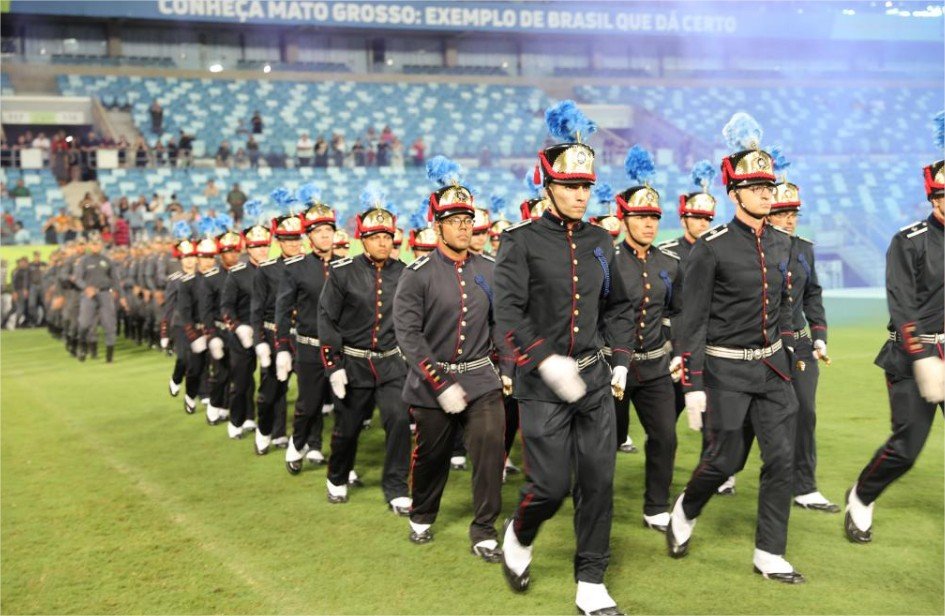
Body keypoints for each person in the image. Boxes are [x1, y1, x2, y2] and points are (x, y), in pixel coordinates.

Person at [494, 101, 633, 616]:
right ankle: (520, 531)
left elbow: (618, 305)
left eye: (586, 186)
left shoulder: (602, 240)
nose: (580, 194)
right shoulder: (519, 242)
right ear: (547, 186)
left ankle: (591, 580)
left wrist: (618, 360)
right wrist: (544, 360)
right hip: (541, 384)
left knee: (599, 480)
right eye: (571, 186)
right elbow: (506, 311)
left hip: (595, 379)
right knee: (550, 487)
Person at [667, 112, 803, 584]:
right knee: (725, 460)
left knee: (782, 458)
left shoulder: (785, 245)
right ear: (733, 193)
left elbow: (785, 308)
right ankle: (687, 506)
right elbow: (692, 319)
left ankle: (770, 553)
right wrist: (694, 384)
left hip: (773, 371)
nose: (767, 193)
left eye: (769, 185)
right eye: (755, 186)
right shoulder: (712, 246)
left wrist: (791, 352)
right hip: (724, 372)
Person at [393, 157, 505, 560]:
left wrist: (505, 367)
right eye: (453, 219)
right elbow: (408, 335)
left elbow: (501, 324)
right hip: (431, 383)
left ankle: (485, 530)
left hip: (481, 380)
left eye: (467, 219)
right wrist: (439, 383)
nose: (463, 226)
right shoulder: (417, 274)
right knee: (431, 457)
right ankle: (422, 513)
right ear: (436, 225)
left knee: (491, 449)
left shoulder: (490, 270)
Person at [844, 121, 944, 544]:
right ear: (931, 196)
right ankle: (862, 497)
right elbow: (901, 303)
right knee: (907, 446)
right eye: (940, 195)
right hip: (911, 358)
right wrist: (923, 357)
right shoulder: (909, 241)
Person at [318, 194, 411, 512]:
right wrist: (334, 366)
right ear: (363, 239)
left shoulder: (404, 273)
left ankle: (397, 487)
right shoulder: (342, 273)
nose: (383, 243)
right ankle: (337, 477)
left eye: (388, 237)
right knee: (348, 428)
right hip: (353, 364)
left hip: (392, 365)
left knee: (399, 421)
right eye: (376, 237)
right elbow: (326, 319)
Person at [609, 145, 683, 532]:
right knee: (604, 443)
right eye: (641, 216)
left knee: (665, 437)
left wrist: (679, 351)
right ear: (624, 219)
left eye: (654, 216)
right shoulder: (605, 262)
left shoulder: (670, 263)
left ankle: (656, 506)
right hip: (611, 370)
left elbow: (680, 311)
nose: (649, 223)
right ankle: (593, 498)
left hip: (655, 366)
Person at [765, 152, 838, 513]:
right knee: (754, 419)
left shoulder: (805, 248)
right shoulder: (756, 249)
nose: (790, 220)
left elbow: (812, 293)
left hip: (800, 343)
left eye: (793, 214)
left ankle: (804, 486)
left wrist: (819, 334)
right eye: (782, 213)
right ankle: (725, 469)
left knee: (805, 412)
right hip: (764, 345)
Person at [276, 189, 337, 472]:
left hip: (341, 349)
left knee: (344, 407)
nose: (325, 235)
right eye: (319, 231)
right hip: (309, 348)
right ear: (309, 237)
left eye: (329, 230)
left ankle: (341, 463)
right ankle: (297, 443)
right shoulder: (296, 268)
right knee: (309, 404)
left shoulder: (345, 265)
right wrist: (282, 347)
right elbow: (283, 309)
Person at [250, 207, 303, 454]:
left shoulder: (311, 266)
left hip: (304, 337)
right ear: (279, 241)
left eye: (296, 238)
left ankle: (302, 442)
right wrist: (259, 340)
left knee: (308, 395)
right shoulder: (267, 269)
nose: (293, 243)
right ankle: (266, 430)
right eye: (287, 239)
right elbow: (257, 309)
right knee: (271, 391)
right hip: (274, 335)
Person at [221, 216, 268, 440]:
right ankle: (237, 419)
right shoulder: (237, 274)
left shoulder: (276, 271)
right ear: (248, 249)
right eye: (257, 246)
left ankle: (269, 428)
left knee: (272, 384)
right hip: (243, 335)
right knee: (241, 382)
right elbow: (226, 307)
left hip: (268, 333)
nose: (262, 250)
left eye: (265, 245)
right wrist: (238, 327)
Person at [75, 232, 121, 362]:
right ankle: (83, 348)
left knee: (109, 324)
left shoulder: (108, 261)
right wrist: (86, 287)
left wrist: (117, 292)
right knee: (84, 324)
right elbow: (78, 278)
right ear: (89, 245)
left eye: (98, 243)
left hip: (105, 294)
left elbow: (115, 279)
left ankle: (109, 357)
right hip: (88, 295)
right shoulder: (83, 261)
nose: (96, 246)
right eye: (93, 244)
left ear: (101, 245)